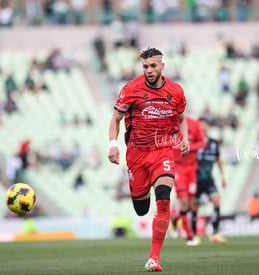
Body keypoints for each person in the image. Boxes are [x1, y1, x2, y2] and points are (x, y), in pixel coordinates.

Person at [108, 47, 189, 272]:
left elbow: (182, 118)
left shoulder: (176, 91)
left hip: (163, 151)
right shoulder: (131, 88)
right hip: (137, 154)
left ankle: (154, 258)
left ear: (162, 66)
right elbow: (115, 119)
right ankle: (140, 196)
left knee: (163, 198)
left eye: (153, 66)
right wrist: (113, 145)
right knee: (141, 209)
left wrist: (185, 139)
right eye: (145, 66)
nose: (149, 70)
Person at [190, 117, 227, 244]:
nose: (202, 127)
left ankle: (215, 233)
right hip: (196, 180)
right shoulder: (194, 142)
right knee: (194, 207)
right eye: (200, 125)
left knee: (216, 202)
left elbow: (218, 160)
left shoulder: (214, 143)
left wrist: (223, 177)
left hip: (209, 179)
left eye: (205, 124)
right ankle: (194, 235)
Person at [173, 116, 206, 246]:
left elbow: (202, 143)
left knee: (193, 205)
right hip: (177, 167)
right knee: (184, 201)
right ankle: (189, 236)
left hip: (192, 169)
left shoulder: (194, 123)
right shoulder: (167, 122)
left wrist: (188, 147)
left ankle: (175, 218)